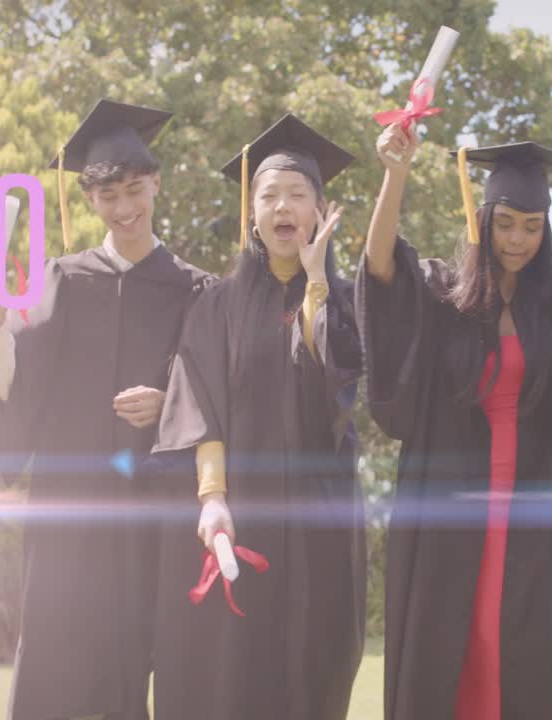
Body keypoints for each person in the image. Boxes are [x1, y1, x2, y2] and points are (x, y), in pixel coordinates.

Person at [359, 121, 552, 720]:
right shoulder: (445, 297)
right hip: (452, 501)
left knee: (520, 641)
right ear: (483, 221)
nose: (518, 239)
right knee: (459, 635)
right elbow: (380, 268)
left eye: (532, 225)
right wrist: (395, 175)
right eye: (505, 224)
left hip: (535, 501)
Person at [0, 99, 212, 720]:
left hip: (149, 516)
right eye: (108, 195)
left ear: (156, 184)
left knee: (131, 664)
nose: (124, 208)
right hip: (65, 511)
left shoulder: (195, 289)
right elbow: (18, 386)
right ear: (88, 200)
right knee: (50, 659)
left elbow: (215, 394)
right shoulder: (58, 279)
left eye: (135, 190)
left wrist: (169, 405)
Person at [147, 113, 365, 720]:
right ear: (252, 212)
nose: (283, 207)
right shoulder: (217, 303)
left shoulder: (345, 302)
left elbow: (332, 386)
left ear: (320, 210)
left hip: (319, 519)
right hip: (241, 515)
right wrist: (213, 497)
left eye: (298, 194)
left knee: (313, 666)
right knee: (233, 672)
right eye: (269, 195)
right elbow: (200, 400)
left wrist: (316, 282)